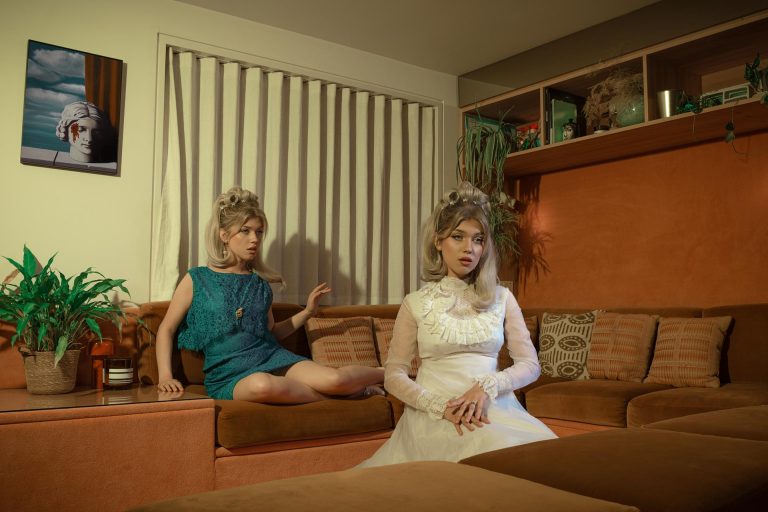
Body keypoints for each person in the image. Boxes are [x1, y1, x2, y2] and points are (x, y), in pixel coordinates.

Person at [358, 182, 556, 467]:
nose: (469, 248)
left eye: (478, 239)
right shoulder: (415, 302)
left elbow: (530, 365)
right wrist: (439, 407)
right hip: (436, 414)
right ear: (438, 241)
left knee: (543, 457)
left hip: (494, 405)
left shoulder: (502, 297)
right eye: (458, 236)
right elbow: (394, 375)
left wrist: (486, 387)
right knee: (484, 457)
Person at [156, 186, 384, 402]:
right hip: (228, 376)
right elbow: (166, 329)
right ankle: (354, 395)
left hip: (271, 357)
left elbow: (271, 332)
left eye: (259, 232)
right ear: (224, 235)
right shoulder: (197, 278)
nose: (254, 239)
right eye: (245, 231)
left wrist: (307, 312)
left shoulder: (260, 284)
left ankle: (389, 372)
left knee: (335, 379)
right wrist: (165, 376)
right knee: (262, 385)